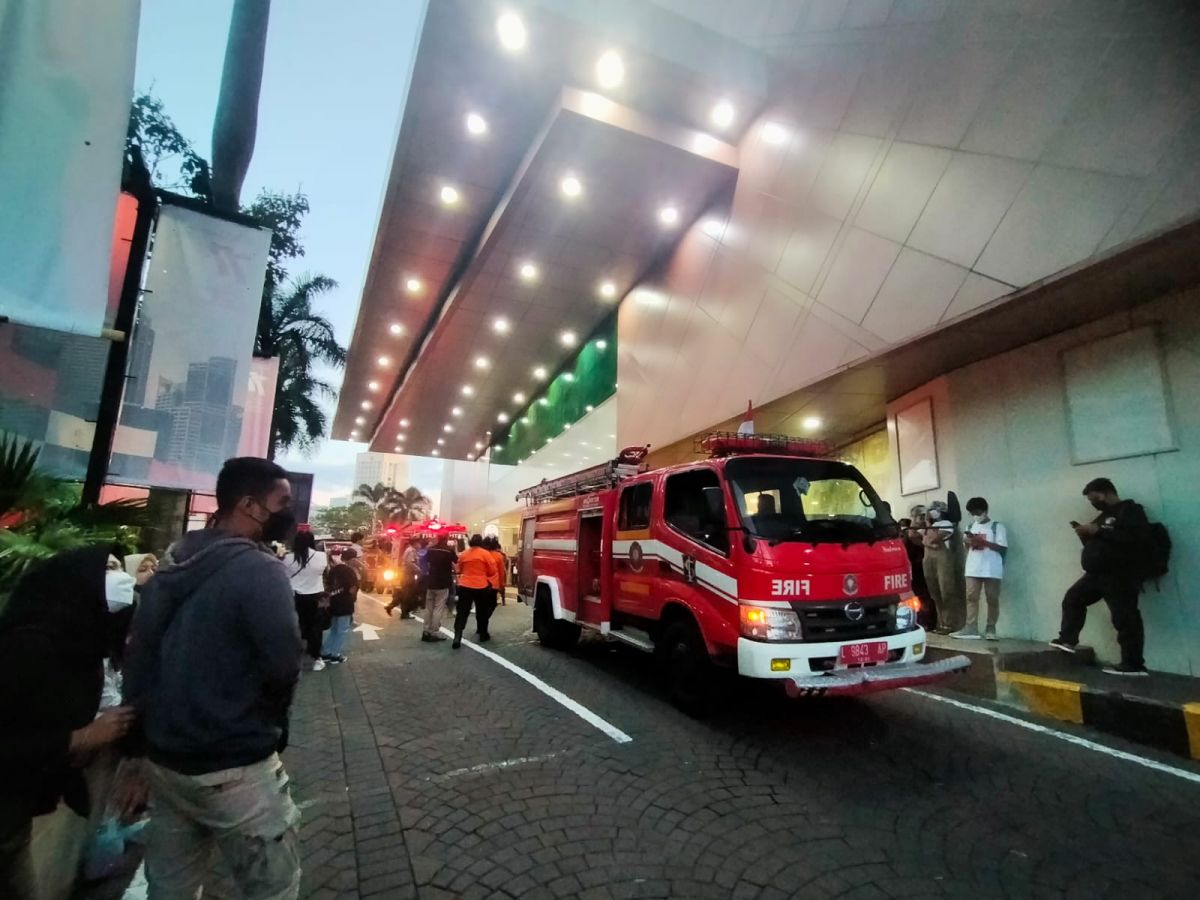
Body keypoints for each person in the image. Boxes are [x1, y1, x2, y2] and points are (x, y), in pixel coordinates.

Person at [122, 457, 303, 899]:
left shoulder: (174, 560)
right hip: (235, 765)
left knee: (170, 887)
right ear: (250, 505)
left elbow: (139, 657)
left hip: (166, 761)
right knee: (273, 887)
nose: (289, 514)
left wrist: (135, 750)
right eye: (282, 503)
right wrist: (271, 725)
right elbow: (283, 664)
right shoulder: (260, 570)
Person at [0, 547, 136, 900]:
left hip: (15, 815)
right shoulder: (25, 649)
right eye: (107, 569)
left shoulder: (77, 644)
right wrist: (77, 739)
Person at [1051, 478, 1150, 676]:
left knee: (1124, 617)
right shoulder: (1103, 516)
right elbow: (1099, 540)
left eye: (1094, 498)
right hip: (1096, 574)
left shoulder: (1131, 511)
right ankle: (1068, 640)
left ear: (1105, 493)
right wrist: (1085, 533)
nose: (1093, 503)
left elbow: (1135, 539)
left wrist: (1099, 531)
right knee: (1073, 598)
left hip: (1119, 574)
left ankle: (1134, 664)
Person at [951, 497, 1008, 641]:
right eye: (972, 513)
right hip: (973, 568)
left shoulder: (997, 527)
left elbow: (1002, 548)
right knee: (971, 597)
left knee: (992, 598)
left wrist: (984, 542)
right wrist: (968, 542)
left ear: (985, 510)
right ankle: (971, 627)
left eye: (977, 512)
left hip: (992, 568)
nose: (975, 515)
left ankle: (991, 628)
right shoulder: (970, 527)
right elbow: (967, 548)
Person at [284, 530, 329, 672]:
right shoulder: (321, 556)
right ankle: (316, 658)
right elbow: (325, 573)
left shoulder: (287, 558)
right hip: (315, 597)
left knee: (294, 627)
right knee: (315, 628)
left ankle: (291, 657)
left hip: (293, 597)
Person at [921, 501, 961, 634]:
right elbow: (921, 540)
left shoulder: (946, 524)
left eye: (934, 509)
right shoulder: (932, 526)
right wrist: (929, 542)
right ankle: (941, 622)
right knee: (934, 592)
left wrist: (927, 525)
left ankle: (950, 623)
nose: (932, 512)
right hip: (929, 560)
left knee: (946, 590)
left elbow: (933, 538)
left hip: (943, 559)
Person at [452, 535, 499, 648]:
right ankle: (483, 633)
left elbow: (459, 569)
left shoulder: (464, 554)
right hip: (481, 585)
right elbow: (492, 571)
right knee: (481, 611)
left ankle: (457, 636)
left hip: (465, 585)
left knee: (462, 612)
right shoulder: (485, 554)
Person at [322, 553, 359, 664]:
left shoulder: (333, 570)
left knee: (333, 630)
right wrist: (352, 599)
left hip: (333, 603)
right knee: (342, 631)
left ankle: (325, 653)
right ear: (351, 559)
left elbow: (327, 585)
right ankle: (335, 655)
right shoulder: (350, 571)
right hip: (345, 603)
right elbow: (353, 588)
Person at [900, 512, 935, 630]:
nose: (916, 519)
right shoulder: (908, 533)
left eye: (919, 516)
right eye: (914, 516)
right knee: (916, 596)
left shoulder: (923, 532)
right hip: (912, 568)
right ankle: (920, 620)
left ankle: (928, 621)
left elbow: (918, 541)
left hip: (921, 567)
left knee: (925, 596)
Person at [422, 535, 457, 642]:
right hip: (443, 583)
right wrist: (454, 548)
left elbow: (424, 560)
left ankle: (426, 631)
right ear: (446, 539)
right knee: (438, 608)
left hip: (430, 581)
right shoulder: (448, 551)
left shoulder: (431, 549)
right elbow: (456, 561)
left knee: (429, 608)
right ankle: (435, 632)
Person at [386, 538, 424, 618]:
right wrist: (419, 570)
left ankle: (393, 607)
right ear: (415, 543)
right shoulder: (411, 551)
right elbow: (410, 562)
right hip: (408, 575)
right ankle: (404, 613)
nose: (420, 545)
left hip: (407, 575)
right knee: (408, 595)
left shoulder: (410, 550)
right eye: (419, 543)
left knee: (405, 594)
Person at [486, 536, 508, 606]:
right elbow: (501, 569)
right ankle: (503, 601)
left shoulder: (485, 554)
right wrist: (502, 582)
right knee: (500, 590)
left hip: (486, 580)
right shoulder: (500, 555)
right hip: (496, 578)